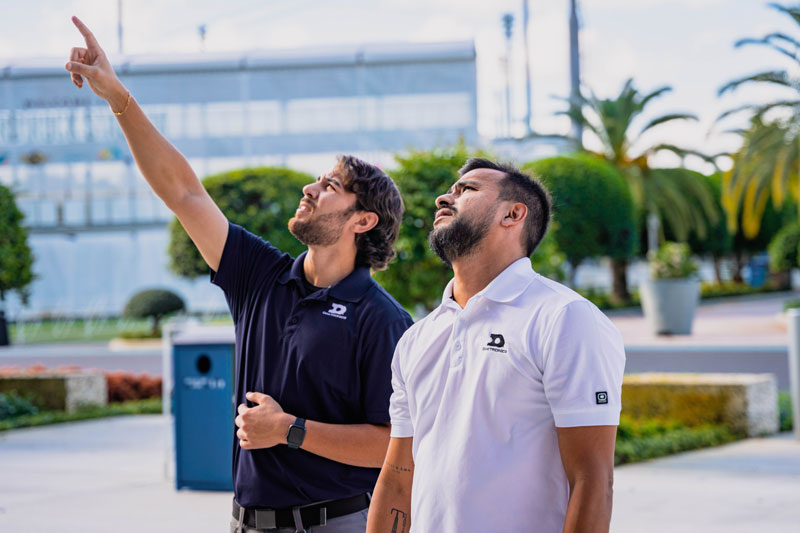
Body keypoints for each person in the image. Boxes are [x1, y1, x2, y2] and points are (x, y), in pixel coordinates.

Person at [65, 17, 413, 533]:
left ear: (363, 221)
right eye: (317, 178)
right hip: (244, 522)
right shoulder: (261, 276)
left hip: (333, 524)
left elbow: (393, 444)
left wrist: (289, 430)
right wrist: (118, 98)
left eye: (332, 185)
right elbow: (183, 192)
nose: (311, 188)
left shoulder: (382, 319)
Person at [366, 158, 626, 533]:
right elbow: (398, 477)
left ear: (513, 213)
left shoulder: (565, 317)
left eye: (466, 190)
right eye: (451, 189)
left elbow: (593, 482)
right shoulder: (417, 338)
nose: (444, 198)